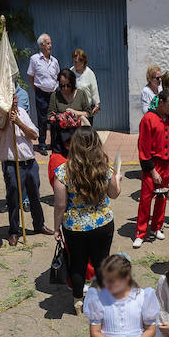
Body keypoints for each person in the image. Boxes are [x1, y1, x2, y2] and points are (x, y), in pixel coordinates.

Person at [53, 126, 120, 313]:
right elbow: (114, 194)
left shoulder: (62, 172)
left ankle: (77, 302)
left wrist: (56, 228)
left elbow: (60, 205)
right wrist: (117, 178)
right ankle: (103, 301)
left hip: (75, 226)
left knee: (77, 264)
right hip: (102, 222)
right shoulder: (105, 168)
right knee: (101, 262)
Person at [0, 85, 45, 248]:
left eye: (16, 100)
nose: (16, 103)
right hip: (12, 163)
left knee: (35, 196)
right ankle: (14, 231)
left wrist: (19, 122)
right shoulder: (1, 117)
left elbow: (34, 134)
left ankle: (39, 225)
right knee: (14, 199)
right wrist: (10, 119)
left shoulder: (22, 114)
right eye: (12, 101)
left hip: (29, 162)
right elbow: (1, 129)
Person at [135, 90, 169, 250]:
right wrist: (152, 171)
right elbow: (143, 147)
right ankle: (140, 232)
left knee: (162, 198)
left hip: (167, 164)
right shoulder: (148, 119)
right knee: (146, 199)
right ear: (160, 102)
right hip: (152, 164)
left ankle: (156, 227)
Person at [28, 34, 61, 151]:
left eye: (50, 43)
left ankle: (53, 144)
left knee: (53, 119)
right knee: (42, 120)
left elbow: (58, 76)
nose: (50, 46)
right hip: (41, 94)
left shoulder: (54, 61)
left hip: (53, 95)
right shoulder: (34, 59)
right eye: (48, 43)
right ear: (41, 45)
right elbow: (30, 76)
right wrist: (36, 89)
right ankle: (42, 144)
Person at [71, 49, 101, 119]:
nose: (74, 64)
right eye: (73, 61)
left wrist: (97, 105)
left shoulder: (89, 73)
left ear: (83, 62)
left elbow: (94, 90)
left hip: (87, 108)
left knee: (86, 129)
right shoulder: (71, 72)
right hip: (73, 108)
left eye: (76, 62)